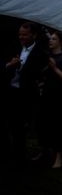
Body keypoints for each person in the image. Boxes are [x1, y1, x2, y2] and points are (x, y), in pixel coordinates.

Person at [3, 22, 48, 167]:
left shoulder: (40, 52)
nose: (21, 37)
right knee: (8, 124)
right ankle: (8, 154)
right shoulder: (13, 47)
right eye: (20, 34)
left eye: (24, 34)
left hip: (26, 94)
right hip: (10, 91)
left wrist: (21, 67)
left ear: (33, 35)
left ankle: (20, 158)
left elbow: (37, 73)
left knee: (20, 127)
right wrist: (10, 65)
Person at [37, 30, 62, 169]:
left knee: (59, 126)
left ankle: (59, 157)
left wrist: (54, 68)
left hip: (60, 97)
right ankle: (45, 151)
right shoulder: (47, 56)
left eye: (54, 39)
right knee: (45, 124)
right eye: (50, 38)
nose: (50, 41)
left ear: (61, 42)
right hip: (47, 95)